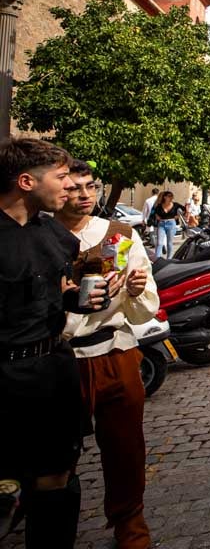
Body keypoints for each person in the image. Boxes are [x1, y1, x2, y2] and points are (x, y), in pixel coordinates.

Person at [1, 138, 107, 548]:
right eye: (61, 178)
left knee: (59, 481)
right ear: (27, 181)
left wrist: (74, 299)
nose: (70, 187)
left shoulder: (55, 235)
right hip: (6, 380)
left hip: (53, 374)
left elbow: (51, 296)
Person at [56, 161, 158, 549]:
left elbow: (145, 304)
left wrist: (135, 290)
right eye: (75, 187)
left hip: (114, 349)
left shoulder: (118, 234)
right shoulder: (43, 236)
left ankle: (130, 523)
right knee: (57, 453)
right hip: (62, 357)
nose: (84, 194)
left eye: (90, 186)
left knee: (125, 447)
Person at [147, 191, 185, 260]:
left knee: (169, 243)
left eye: (172, 196)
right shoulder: (159, 205)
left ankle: (169, 259)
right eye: (169, 196)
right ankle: (157, 259)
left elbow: (184, 209)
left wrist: (178, 216)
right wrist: (156, 216)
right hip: (161, 224)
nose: (171, 198)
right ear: (165, 197)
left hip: (171, 224)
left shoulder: (175, 205)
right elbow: (153, 212)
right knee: (159, 243)